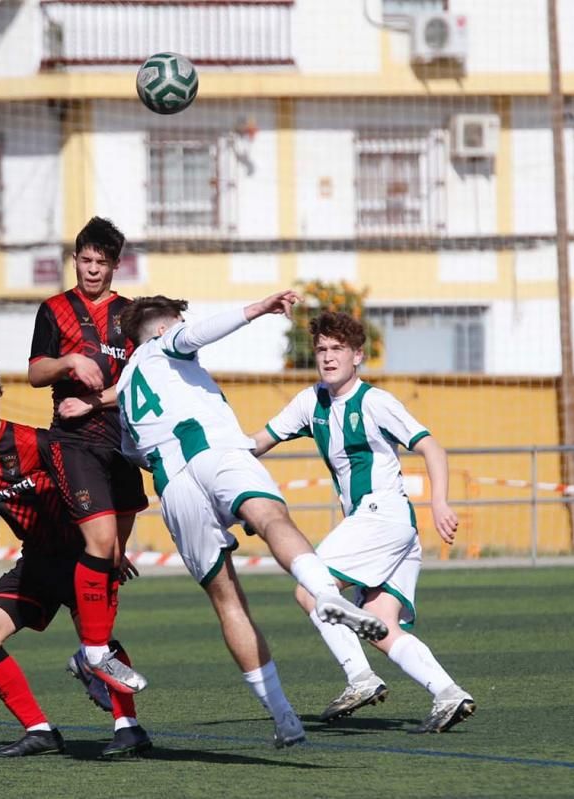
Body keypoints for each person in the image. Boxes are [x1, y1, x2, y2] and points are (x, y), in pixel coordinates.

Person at [115, 292, 389, 748]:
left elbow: (131, 453)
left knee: (228, 602)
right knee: (270, 517)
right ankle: (326, 595)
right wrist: (259, 309)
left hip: (173, 486)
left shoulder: (124, 388)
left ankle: (283, 717)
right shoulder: (168, 345)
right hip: (214, 452)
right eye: (180, 323)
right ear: (164, 329)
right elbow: (201, 331)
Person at [249, 311, 476, 733]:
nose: (329, 357)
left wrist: (440, 503)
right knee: (381, 625)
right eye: (322, 349)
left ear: (358, 356)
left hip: (383, 514)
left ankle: (361, 678)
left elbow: (432, 448)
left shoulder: (375, 401)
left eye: (338, 349)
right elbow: (257, 443)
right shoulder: (309, 402)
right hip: (390, 528)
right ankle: (449, 692)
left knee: (309, 590)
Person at [0, 357, 152, 759]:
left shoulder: (37, 442)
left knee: (98, 643)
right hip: (36, 562)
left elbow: (103, 483)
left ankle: (129, 728)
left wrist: (113, 546)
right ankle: (40, 730)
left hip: (81, 556)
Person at [28, 216, 150, 694]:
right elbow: (37, 373)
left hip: (121, 443)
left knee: (115, 558)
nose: (92, 269)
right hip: (74, 442)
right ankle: (99, 654)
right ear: (74, 259)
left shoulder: (133, 314)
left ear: (117, 265)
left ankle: (89, 655)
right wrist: (70, 362)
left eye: (101, 262)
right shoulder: (54, 310)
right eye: (85, 260)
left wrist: (98, 399)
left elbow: (142, 380)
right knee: (98, 543)